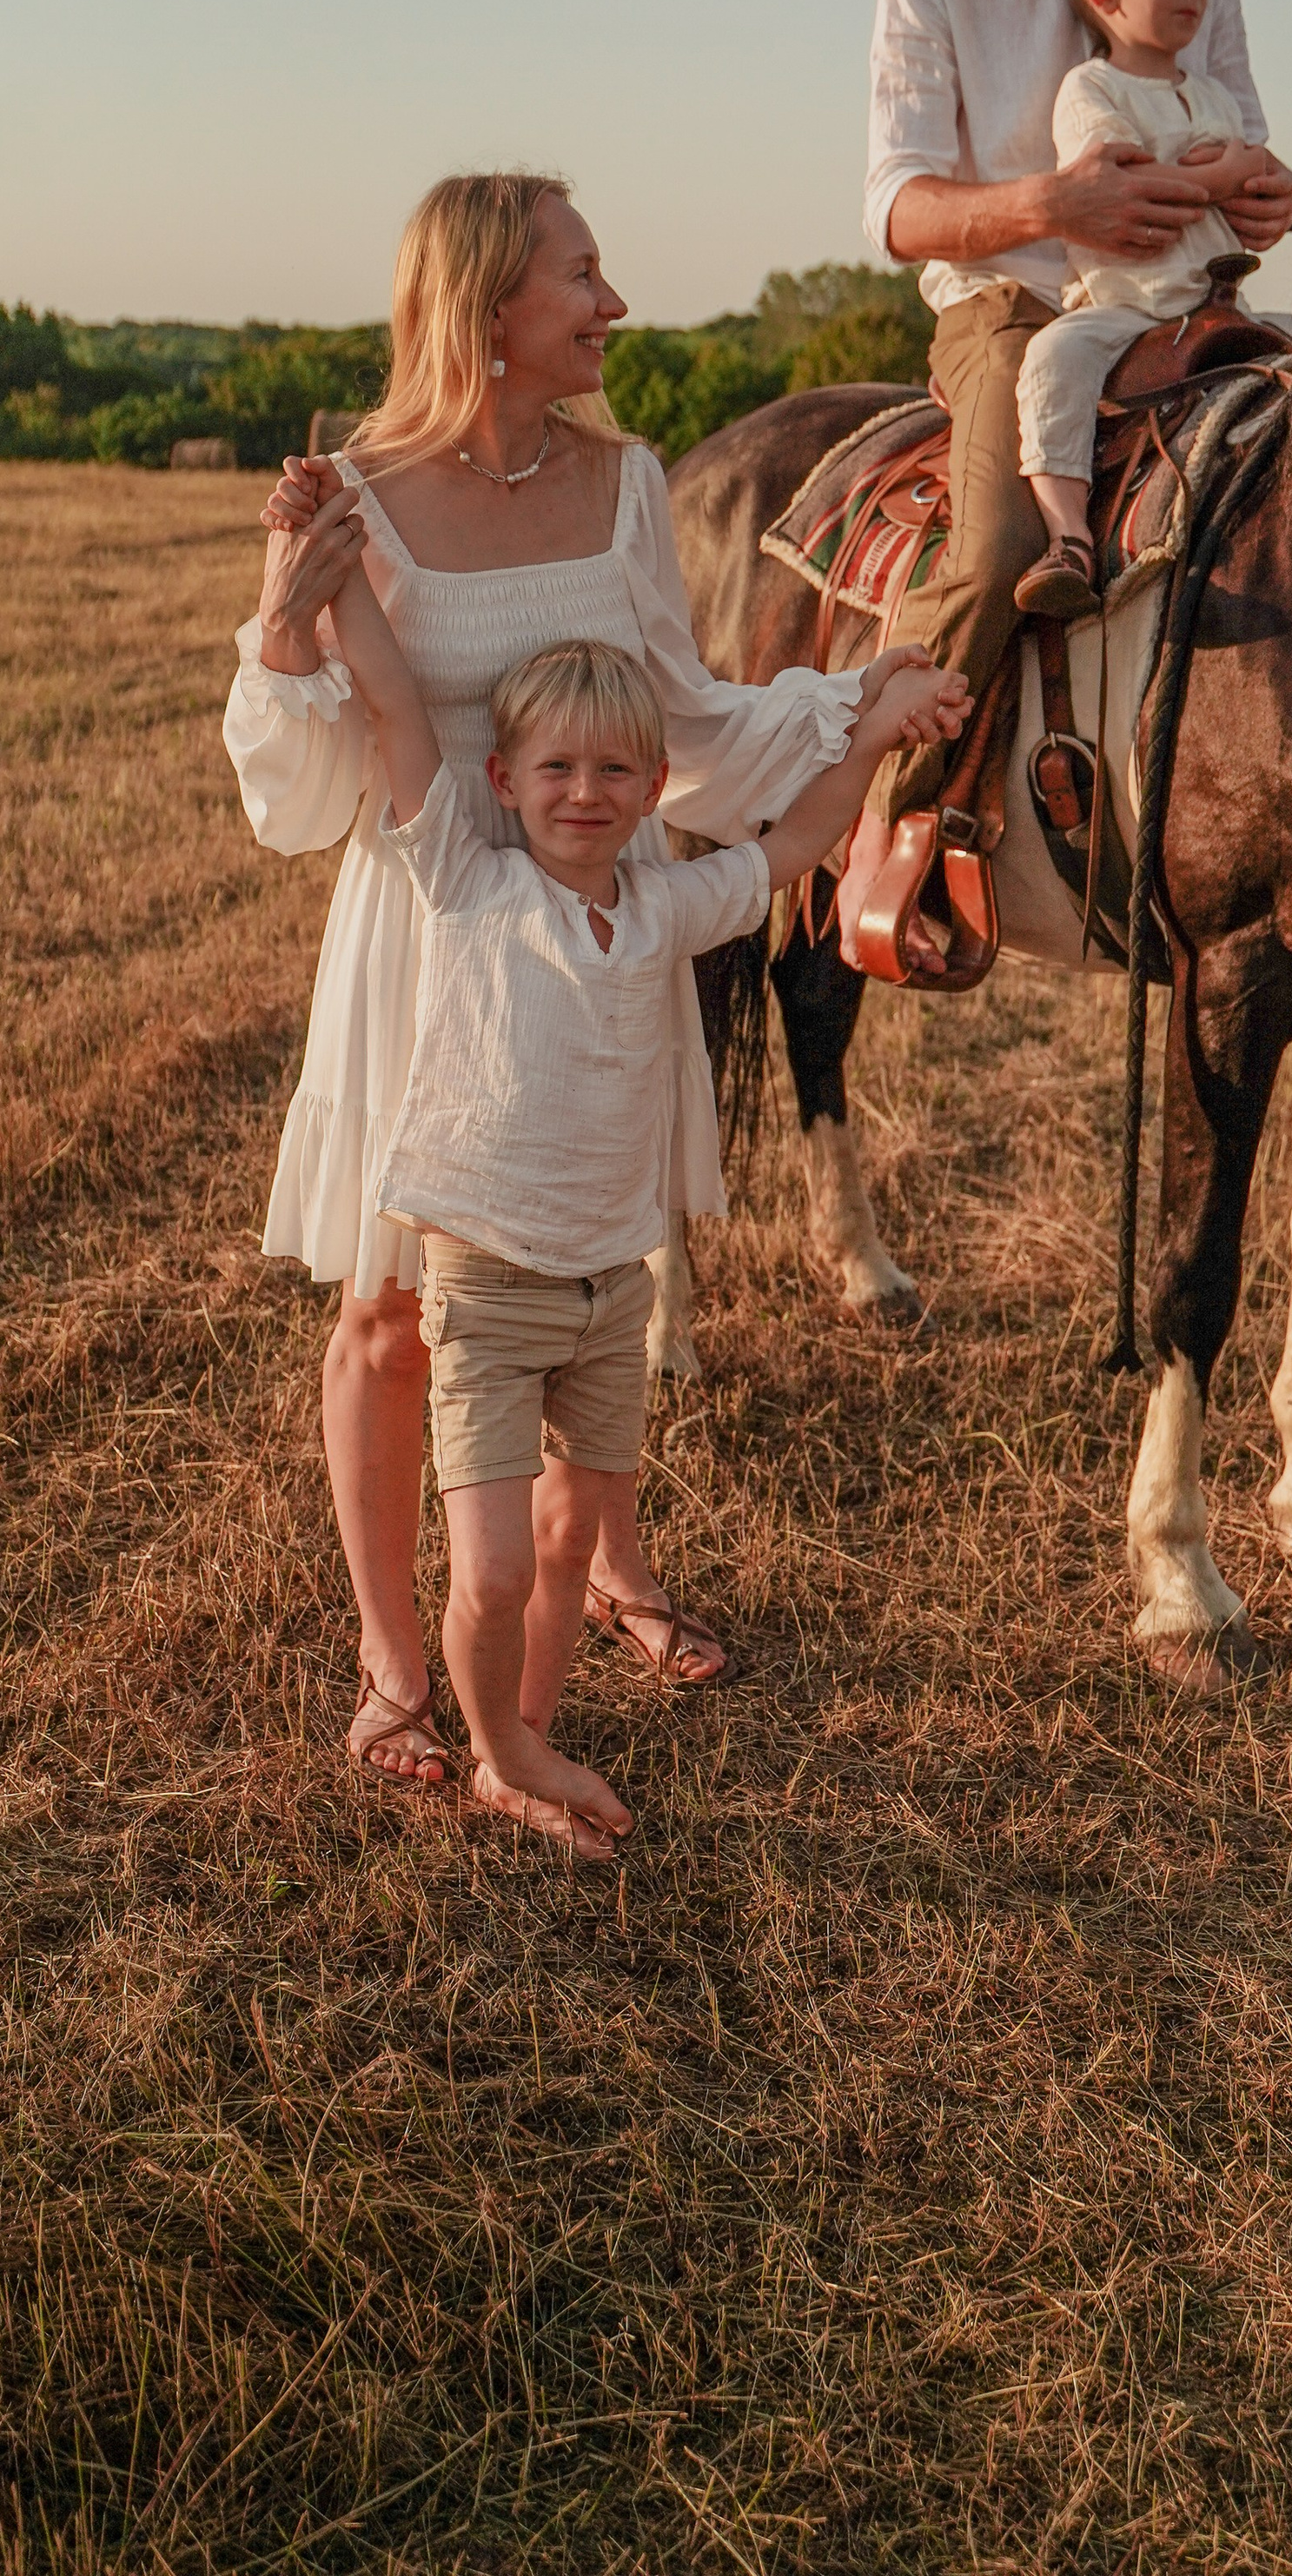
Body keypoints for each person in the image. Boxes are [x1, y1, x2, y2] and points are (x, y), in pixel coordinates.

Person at [225, 171, 963, 1788]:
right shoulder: (351, 492)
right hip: (430, 923)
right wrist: (285, 628)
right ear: (492, 306)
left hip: (601, 908)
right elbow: (292, 800)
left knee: (591, 1280)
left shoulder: (628, 484)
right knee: (389, 1312)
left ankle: (606, 1566)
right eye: (584, 275)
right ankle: (392, 1663)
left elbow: (686, 725)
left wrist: (853, 706)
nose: (613, 304)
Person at [309, 613, 958, 1858]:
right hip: (488, 1292)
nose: (586, 794)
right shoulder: (465, 873)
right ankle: (502, 1747)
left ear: (657, 789)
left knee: (569, 1543)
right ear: (502, 784)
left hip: (616, 1295)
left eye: (616, 772)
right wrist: (342, 590)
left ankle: (528, 1735)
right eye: (555, 769)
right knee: (493, 1570)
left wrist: (873, 732)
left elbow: (800, 843)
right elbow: (395, 716)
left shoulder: (663, 908)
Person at [854, 0, 1292, 921]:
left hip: (1186, 299)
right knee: (1000, 544)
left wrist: (1278, 198)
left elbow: (1248, 144)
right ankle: (892, 813)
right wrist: (1059, 207)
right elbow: (896, 206)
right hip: (1012, 309)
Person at [1013, 0, 1292, 619]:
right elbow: (1129, 188)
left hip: (1215, 305)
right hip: (1126, 308)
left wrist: (1256, 185)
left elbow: (1247, 186)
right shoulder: (1090, 90)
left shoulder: (1212, 96)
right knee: (1053, 361)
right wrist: (1223, 172)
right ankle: (1069, 535)